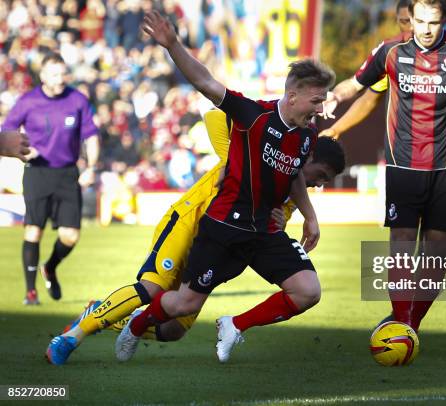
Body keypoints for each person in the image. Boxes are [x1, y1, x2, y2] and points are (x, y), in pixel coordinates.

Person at [112, 10, 336, 363]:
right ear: (293, 95)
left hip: (264, 230)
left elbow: (293, 174)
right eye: (316, 100)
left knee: (308, 291)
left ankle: (234, 325)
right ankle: (139, 323)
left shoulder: (307, 134)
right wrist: (172, 45)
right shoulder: (253, 115)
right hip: (224, 227)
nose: (320, 108)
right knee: (183, 303)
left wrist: (310, 216)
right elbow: (206, 82)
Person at [45, 108, 345, 365]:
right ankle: (70, 338)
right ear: (308, 157)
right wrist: (235, 159)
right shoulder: (258, 149)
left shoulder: (292, 192)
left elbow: (268, 229)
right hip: (189, 221)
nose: (319, 184)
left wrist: (279, 222)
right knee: (151, 287)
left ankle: (106, 314)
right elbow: (215, 115)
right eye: (321, 175)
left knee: (175, 328)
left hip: (218, 244)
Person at [322, 0, 446, 332]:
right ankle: (401, 320)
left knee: (437, 250)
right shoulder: (391, 50)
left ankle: (409, 322)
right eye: (418, 21)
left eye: (432, 23)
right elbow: (357, 84)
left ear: (445, 20)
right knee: (402, 242)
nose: (423, 29)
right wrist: (335, 96)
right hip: (403, 163)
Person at [320, 0, 446, 192]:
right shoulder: (396, 54)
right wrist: (336, 128)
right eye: (406, 21)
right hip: (407, 152)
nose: (414, 28)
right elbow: (369, 99)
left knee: (437, 219)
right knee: (408, 216)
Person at [2, 52, 100, 305]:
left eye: (62, 73)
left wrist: (91, 166)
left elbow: (91, 135)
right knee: (33, 231)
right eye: (53, 74)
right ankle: (30, 292)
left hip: (67, 173)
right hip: (37, 172)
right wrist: (23, 153)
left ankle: (51, 267)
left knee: (70, 236)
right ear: (43, 75)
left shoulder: (77, 99)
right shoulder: (28, 101)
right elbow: (7, 132)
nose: (59, 79)